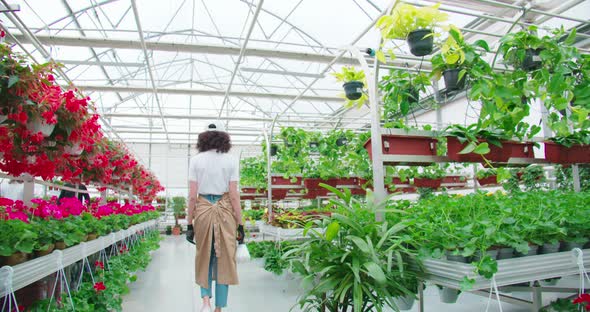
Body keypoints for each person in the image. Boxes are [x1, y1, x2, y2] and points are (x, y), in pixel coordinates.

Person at [186, 121, 244, 312]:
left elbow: (192, 195)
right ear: (223, 138)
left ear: (204, 138)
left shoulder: (196, 160)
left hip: (202, 209)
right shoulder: (231, 160)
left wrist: (189, 224)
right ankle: (218, 308)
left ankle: (205, 301)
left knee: (204, 254)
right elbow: (234, 194)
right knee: (225, 257)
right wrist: (240, 223)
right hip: (225, 210)